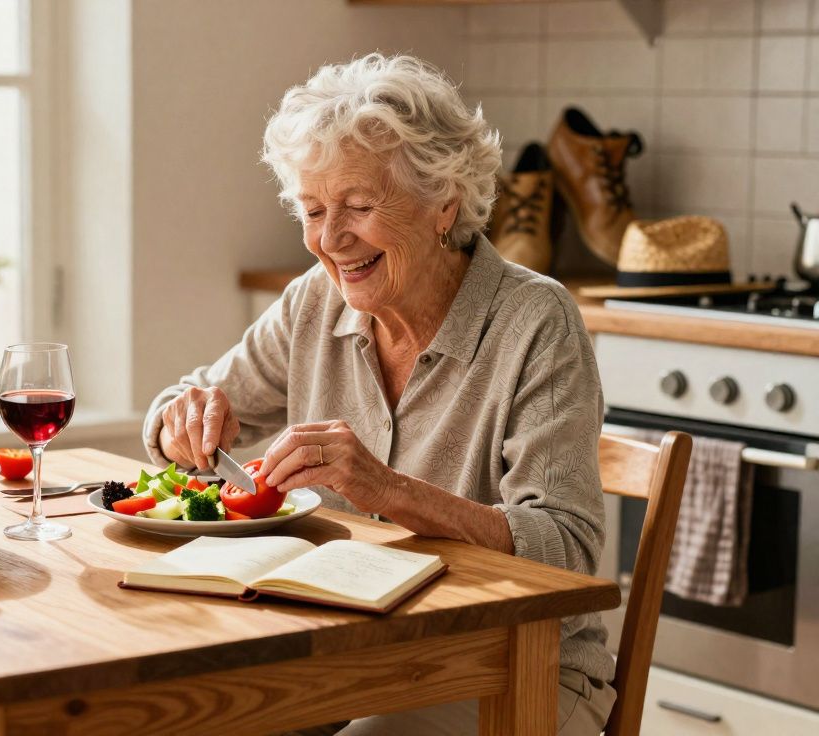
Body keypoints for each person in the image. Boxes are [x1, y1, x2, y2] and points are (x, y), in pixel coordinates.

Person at [141, 54, 614, 735]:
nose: (331, 239)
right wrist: (180, 419)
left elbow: (566, 546)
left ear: (444, 201)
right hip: (348, 655)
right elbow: (188, 400)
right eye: (313, 210)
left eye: (360, 207)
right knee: (184, 717)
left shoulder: (535, 319)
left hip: (516, 667)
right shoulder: (314, 302)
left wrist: (389, 490)